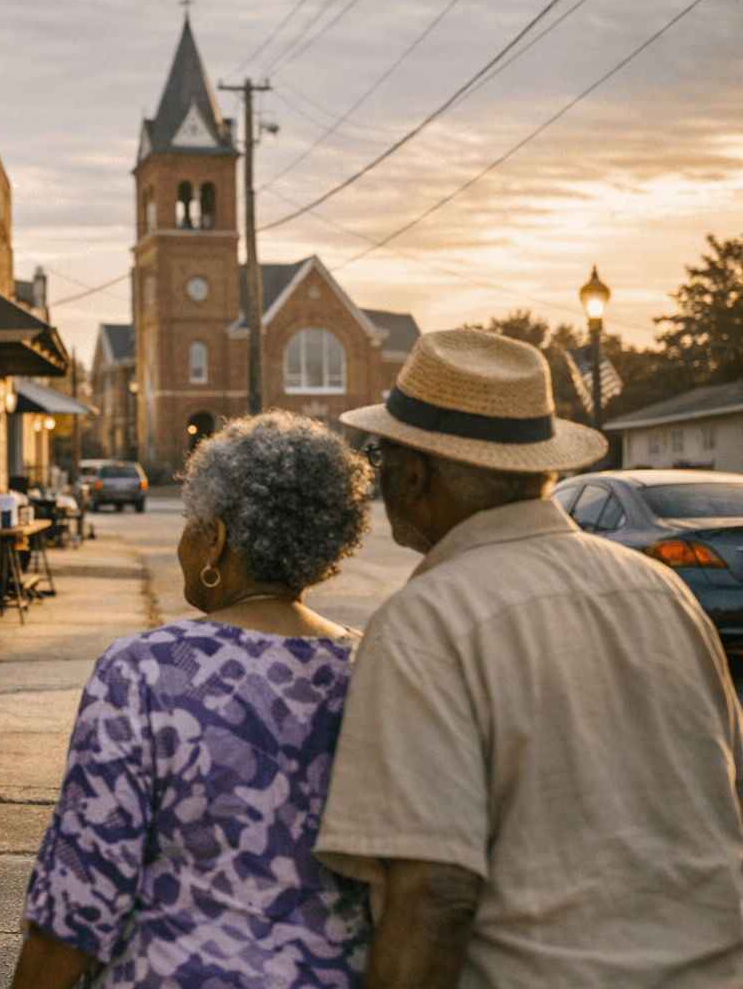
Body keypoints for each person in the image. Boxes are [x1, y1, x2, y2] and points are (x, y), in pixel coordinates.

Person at [315, 329, 743, 988]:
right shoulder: (664, 593)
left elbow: (436, 894)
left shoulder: (425, 622)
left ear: (415, 471)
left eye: (382, 455)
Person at [12, 411, 374, 989]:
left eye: (190, 522)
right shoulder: (374, 666)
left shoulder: (143, 670)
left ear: (217, 540)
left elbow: (79, 901)